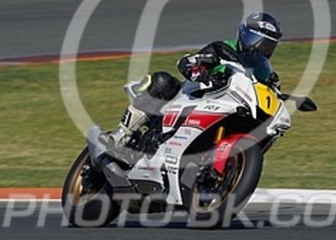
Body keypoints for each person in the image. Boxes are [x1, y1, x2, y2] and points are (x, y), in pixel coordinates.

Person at [99, 11, 283, 160]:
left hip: (230, 108)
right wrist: (196, 68)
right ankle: (121, 135)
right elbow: (189, 61)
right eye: (257, 41)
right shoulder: (223, 48)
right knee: (163, 82)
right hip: (196, 97)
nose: (260, 48)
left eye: (267, 45)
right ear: (244, 35)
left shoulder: (263, 71)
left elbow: (271, 90)